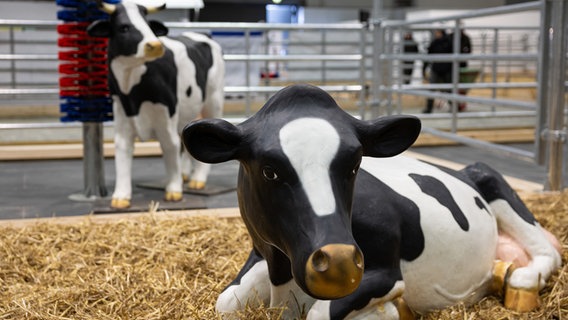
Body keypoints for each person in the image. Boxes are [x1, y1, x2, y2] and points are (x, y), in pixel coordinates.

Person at [422, 29, 453, 113]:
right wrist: (424, 68)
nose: (436, 34)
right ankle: (429, 108)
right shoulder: (435, 42)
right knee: (432, 89)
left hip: (446, 69)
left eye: (438, 32)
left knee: (449, 89)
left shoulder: (448, 42)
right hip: (437, 69)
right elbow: (428, 56)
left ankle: (453, 107)